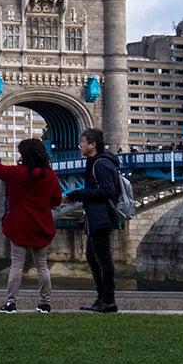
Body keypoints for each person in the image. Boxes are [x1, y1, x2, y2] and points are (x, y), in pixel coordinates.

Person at [0, 138, 64, 312]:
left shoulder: (16, 173)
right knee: (42, 266)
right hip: (41, 225)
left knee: (17, 264)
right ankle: (45, 302)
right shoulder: (50, 176)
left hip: (19, 224)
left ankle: (11, 302)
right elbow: (56, 201)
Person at [63, 128, 123, 313]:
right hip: (96, 216)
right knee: (92, 257)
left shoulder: (100, 165)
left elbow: (108, 190)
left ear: (92, 145)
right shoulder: (94, 163)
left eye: (83, 142)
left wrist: (79, 194)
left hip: (102, 216)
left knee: (103, 259)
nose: (79, 145)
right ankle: (101, 298)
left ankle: (108, 300)